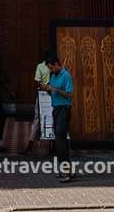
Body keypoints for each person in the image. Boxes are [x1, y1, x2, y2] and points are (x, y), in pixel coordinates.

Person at [42, 55, 75, 183]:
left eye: (51, 68)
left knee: (61, 140)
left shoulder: (66, 76)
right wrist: (48, 89)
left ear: (56, 64)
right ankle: (66, 169)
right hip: (55, 109)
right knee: (59, 140)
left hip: (64, 109)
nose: (50, 70)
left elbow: (70, 94)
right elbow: (52, 92)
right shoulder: (53, 76)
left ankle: (66, 171)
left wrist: (55, 89)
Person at [33, 53, 54, 143]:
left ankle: (54, 141)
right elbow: (37, 81)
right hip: (43, 96)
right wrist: (44, 87)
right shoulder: (41, 66)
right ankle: (32, 140)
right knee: (39, 117)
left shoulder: (55, 66)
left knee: (52, 116)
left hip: (53, 95)